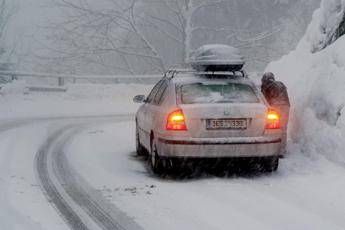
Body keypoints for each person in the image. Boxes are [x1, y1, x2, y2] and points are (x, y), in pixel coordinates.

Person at [261, 72, 290, 155]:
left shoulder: (266, 86)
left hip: (275, 107)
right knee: (283, 129)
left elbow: (264, 100)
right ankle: (282, 150)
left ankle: (272, 148)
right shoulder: (281, 84)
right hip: (285, 106)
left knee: (272, 129)